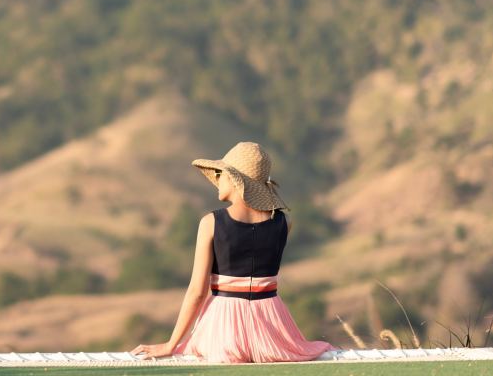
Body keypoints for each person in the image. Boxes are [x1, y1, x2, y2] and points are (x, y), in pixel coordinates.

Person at [129, 141, 339, 363]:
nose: (217, 180)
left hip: (223, 327)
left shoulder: (211, 222)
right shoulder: (285, 222)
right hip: (272, 327)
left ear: (234, 179)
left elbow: (197, 292)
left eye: (221, 173)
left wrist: (172, 344)